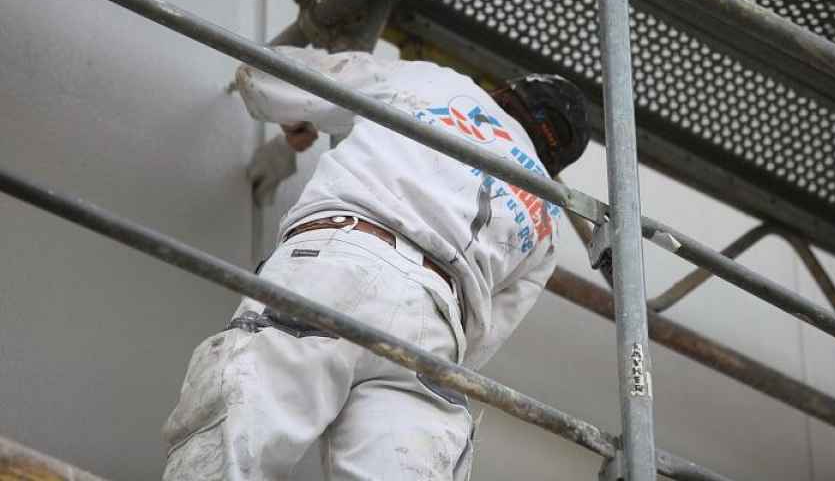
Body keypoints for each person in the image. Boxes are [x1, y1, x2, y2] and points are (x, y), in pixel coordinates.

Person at [161, 46, 590, 481]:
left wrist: (297, 119)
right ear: (554, 162)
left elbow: (266, 76)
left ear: (504, 93)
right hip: (434, 331)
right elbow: (483, 339)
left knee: (236, 446)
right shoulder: (548, 215)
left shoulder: (437, 84)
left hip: (338, 262)